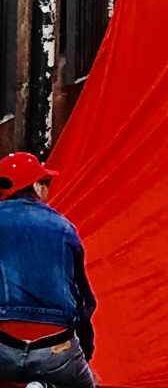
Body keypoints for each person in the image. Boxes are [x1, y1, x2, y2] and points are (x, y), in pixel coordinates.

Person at [0, 153, 97, 388]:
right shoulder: (64, 228)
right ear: (33, 186)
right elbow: (85, 302)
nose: (47, 190)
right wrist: (84, 351)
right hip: (55, 351)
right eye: (44, 183)